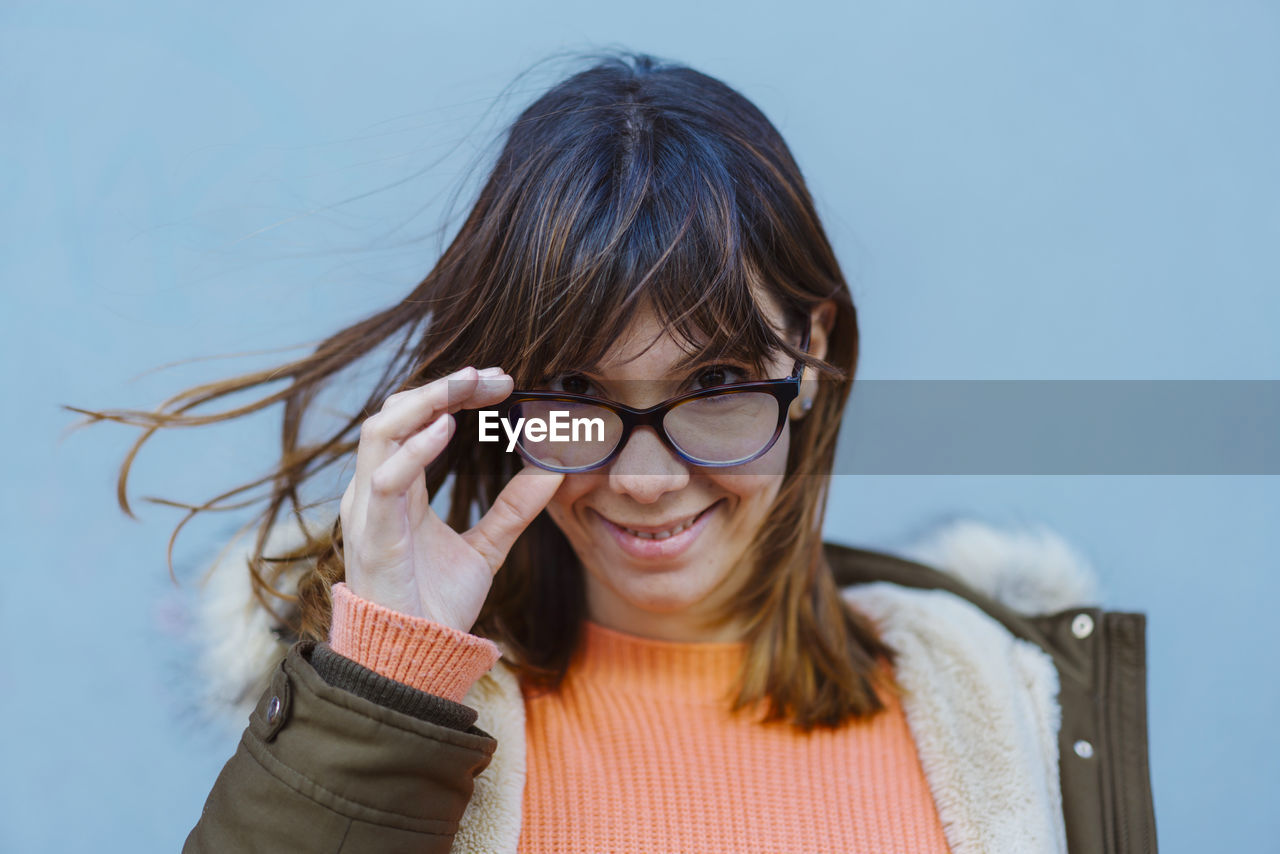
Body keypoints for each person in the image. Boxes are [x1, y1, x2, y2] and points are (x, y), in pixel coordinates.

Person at [80, 50, 1156, 852]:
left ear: (814, 350)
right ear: (495, 395)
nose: (642, 479)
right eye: (576, 392)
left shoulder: (994, 691)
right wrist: (381, 678)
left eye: (719, 384)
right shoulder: (416, 715)